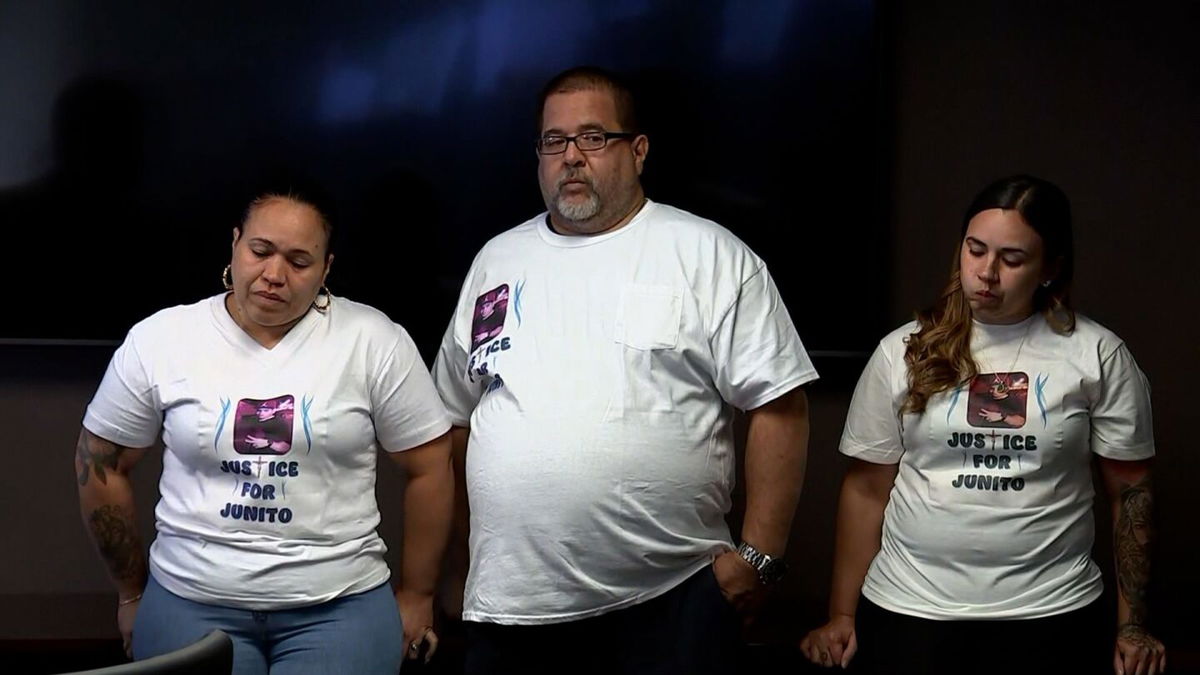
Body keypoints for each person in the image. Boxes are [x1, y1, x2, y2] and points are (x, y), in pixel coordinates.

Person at [431, 66, 817, 674]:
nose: (572, 157)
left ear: (637, 151)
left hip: (671, 598)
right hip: (510, 608)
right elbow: (452, 420)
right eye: (554, 141)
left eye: (593, 137)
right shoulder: (496, 261)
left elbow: (780, 405)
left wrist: (758, 559)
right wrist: (456, 563)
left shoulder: (708, 254)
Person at [75, 190, 455, 674]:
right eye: (260, 251)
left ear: (326, 268)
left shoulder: (373, 340)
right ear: (234, 245)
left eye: (299, 261)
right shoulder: (161, 338)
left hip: (339, 601)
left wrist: (419, 595)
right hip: (191, 596)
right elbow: (98, 465)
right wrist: (131, 592)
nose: (275, 275)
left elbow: (430, 466)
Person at [800, 175, 1167, 675]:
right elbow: (866, 489)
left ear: (1050, 269)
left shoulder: (1097, 354)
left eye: (1012, 260)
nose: (986, 272)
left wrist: (1132, 626)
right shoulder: (903, 350)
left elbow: (1132, 494)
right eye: (975, 250)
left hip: (1050, 614)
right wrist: (841, 614)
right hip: (911, 611)